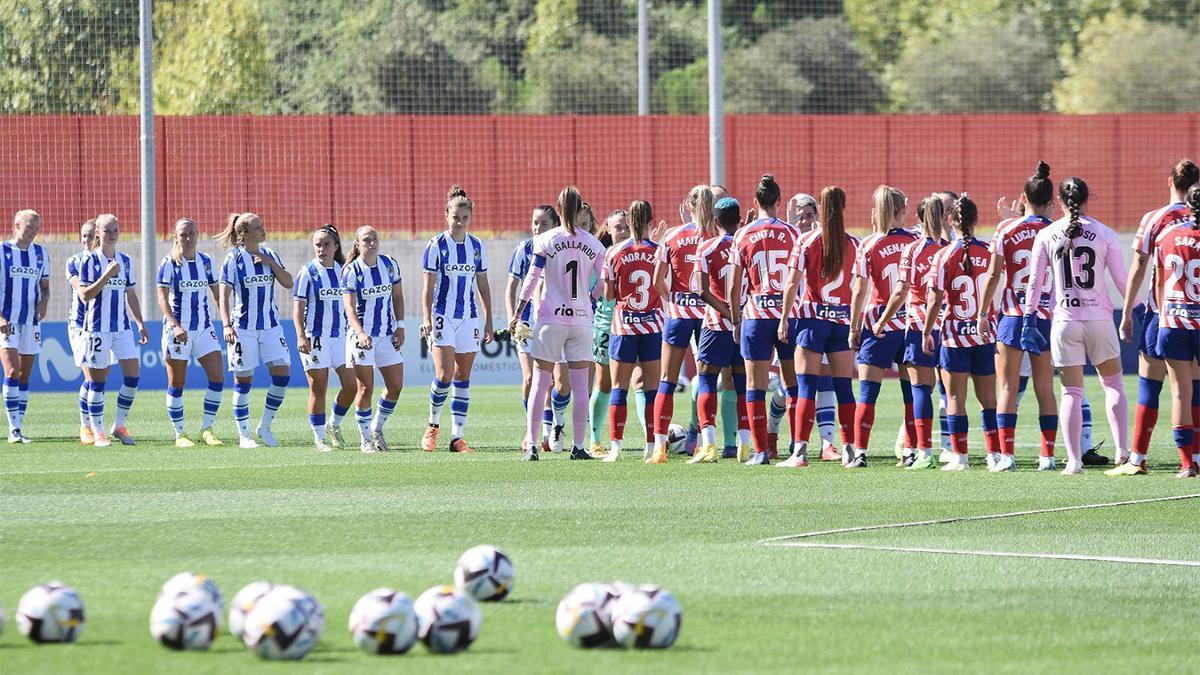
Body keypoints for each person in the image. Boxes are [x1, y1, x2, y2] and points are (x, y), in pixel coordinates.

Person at [1022, 177, 1130, 475]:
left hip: (1065, 322)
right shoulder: (1105, 233)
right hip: (1099, 320)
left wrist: (1028, 318)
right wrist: (1135, 309)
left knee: (1071, 391)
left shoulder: (1047, 234)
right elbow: (1122, 281)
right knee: (1113, 384)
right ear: (1087, 198)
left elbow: (1035, 282)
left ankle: (1073, 461)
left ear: (1058, 200)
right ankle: (1123, 453)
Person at [511, 186, 606, 461]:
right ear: (579, 211)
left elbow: (532, 278)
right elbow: (604, 281)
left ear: (559, 208)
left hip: (551, 319)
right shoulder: (594, 244)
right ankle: (578, 446)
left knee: (540, 383)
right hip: (581, 320)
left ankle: (531, 445)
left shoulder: (546, 240)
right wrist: (590, 298)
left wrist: (519, 310)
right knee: (579, 387)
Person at [977, 161, 1060, 471]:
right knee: (1045, 388)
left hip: (1012, 314)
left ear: (1023, 198)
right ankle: (1048, 458)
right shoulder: (1057, 230)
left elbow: (993, 274)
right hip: (1046, 316)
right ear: (1052, 202)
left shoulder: (1006, 229)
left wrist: (984, 312)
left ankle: (1007, 457)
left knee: (1007, 387)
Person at [1119, 159, 1199, 470]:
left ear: (1170, 182)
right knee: (1193, 388)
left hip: (1162, 313)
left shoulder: (1155, 219)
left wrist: (1127, 312)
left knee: (1150, 384)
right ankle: (1193, 458)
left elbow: (1139, 267)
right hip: (1191, 314)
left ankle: (1137, 458)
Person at [777, 186, 860, 468]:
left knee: (805, 388)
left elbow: (791, 283)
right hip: (842, 321)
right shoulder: (854, 243)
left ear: (821, 210)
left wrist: (784, 317)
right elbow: (860, 287)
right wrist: (855, 321)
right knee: (844, 388)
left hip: (813, 321)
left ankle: (799, 452)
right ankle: (850, 450)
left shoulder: (807, 241)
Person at [728, 174, 800, 466]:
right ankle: (799, 447)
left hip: (756, 315)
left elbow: (734, 285)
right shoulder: (793, 233)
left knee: (754, 385)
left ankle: (760, 452)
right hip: (787, 315)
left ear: (755, 202)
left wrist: (735, 320)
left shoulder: (742, 235)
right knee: (795, 384)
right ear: (779, 202)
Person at [922, 195, 997, 471]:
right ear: (976, 221)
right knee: (988, 399)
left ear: (950, 220)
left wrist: (926, 331)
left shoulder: (943, 255)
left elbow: (934, 299)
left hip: (954, 335)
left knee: (955, 398)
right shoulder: (989, 250)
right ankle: (995, 455)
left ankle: (960, 457)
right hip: (984, 334)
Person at [874, 198, 947, 469]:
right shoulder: (950, 248)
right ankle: (955, 449)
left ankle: (923, 452)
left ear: (918, 218)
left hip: (919, 325)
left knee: (920, 389)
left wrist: (882, 321)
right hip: (949, 327)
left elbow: (900, 291)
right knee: (951, 391)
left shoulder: (913, 250)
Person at [420, 186, 494, 453]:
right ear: (446, 216)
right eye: (455, 217)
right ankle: (432, 426)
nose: (460, 221)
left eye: (465, 217)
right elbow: (428, 287)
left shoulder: (477, 246)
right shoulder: (436, 246)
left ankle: (457, 437)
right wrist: (427, 317)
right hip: (443, 316)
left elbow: (482, 284)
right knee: (444, 375)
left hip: (469, 318)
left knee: (463, 376)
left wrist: (488, 319)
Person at [849, 186, 918, 466]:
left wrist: (854, 327)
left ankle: (861, 452)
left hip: (878, 324)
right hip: (910, 323)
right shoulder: (915, 241)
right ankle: (913, 451)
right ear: (902, 211)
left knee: (867, 392)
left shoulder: (868, 244)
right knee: (911, 392)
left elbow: (859, 290)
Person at [216, 212, 293, 449]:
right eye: (258, 227)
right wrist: (227, 325)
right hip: (243, 329)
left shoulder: (269, 254)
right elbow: (223, 295)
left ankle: (265, 426)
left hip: (270, 327)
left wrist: (271, 264)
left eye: (262, 225)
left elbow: (289, 282)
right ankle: (244, 435)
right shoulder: (233, 260)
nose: (263, 229)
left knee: (282, 376)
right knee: (243, 382)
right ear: (244, 234)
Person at [76, 214, 150, 448]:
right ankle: (98, 432)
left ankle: (119, 425)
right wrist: (106, 275)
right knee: (98, 381)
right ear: (98, 232)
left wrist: (140, 323)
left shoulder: (125, 260)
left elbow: (130, 293)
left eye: (116, 230)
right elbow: (85, 295)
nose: (112, 234)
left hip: (122, 328)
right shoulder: (89, 260)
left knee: (132, 376)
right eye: (107, 230)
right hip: (97, 329)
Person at [602, 200, 664, 462]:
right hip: (652, 326)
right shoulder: (660, 251)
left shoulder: (615, 252)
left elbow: (608, 296)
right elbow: (664, 287)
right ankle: (651, 445)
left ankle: (615, 447)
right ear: (651, 222)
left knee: (619, 388)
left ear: (629, 222)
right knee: (652, 390)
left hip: (624, 325)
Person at [650, 186, 710, 459]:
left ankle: (660, 445)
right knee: (707, 379)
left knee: (667, 381)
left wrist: (671, 301)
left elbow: (656, 280)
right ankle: (702, 440)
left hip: (678, 315)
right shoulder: (717, 236)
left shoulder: (673, 236)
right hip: (709, 315)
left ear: (688, 206)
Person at [156, 217, 224, 447]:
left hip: (204, 328)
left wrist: (226, 321)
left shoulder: (206, 262)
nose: (188, 238)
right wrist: (175, 325)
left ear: (198, 234)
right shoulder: (169, 263)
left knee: (217, 377)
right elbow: (162, 298)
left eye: (191, 233)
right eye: (183, 234)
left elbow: (217, 293)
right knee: (177, 383)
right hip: (178, 331)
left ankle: (207, 428)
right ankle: (180, 434)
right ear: (176, 237)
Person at [691, 197, 750, 463]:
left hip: (716, 324)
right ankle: (745, 445)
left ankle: (710, 445)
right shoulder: (748, 244)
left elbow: (702, 291)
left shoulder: (706, 247)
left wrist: (728, 314)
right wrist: (738, 316)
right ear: (739, 220)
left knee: (706, 378)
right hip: (746, 323)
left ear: (715, 222)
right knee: (742, 383)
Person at [293, 224, 356, 452]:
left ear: (336, 245)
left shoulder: (344, 271)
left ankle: (334, 424)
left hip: (341, 337)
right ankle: (319, 439)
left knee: (351, 386)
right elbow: (298, 308)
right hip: (316, 338)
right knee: (319, 388)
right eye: (318, 245)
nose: (322, 249)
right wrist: (301, 336)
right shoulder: (307, 272)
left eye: (326, 244)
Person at [343, 226, 406, 453]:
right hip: (362, 337)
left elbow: (398, 297)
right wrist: (360, 333)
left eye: (375, 239)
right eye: (366, 240)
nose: (372, 243)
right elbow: (349, 308)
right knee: (365, 387)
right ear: (358, 244)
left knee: (396, 386)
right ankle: (365, 440)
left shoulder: (389, 264)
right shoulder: (352, 271)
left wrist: (400, 326)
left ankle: (376, 428)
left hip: (387, 334)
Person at [0, 210, 50, 443]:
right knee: (12, 371)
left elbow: (45, 287)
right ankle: (13, 430)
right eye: (30, 226)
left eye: (37, 226)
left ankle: (18, 426)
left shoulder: (40, 253)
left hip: (31, 322)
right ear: (16, 225)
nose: (34, 230)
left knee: (24, 375)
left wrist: (44, 302)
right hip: (6, 321)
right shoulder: (2, 251)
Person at [588, 209, 626, 454]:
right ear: (609, 231)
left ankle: (652, 440)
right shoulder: (600, 259)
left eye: (627, 227)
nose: (623, 232)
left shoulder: (641, 253)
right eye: (618, 228)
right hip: (606, 325)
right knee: (604, 384)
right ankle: (595, 439)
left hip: (635, 325)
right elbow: (592, 292)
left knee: (642, 381)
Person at [66, 219, 96, 443]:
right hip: (79, 325)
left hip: (100, 326)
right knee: (91, 376)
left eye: (91, 235)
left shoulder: (108, 261)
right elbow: (83, 292)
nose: (87, 240)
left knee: (99, 377)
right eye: (84, 235)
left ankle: (96, 425)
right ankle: (86, 426)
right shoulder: (74, 261)